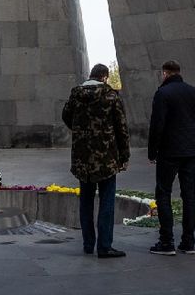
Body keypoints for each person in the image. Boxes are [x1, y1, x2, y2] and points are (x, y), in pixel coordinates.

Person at [62, 63, 130, 259]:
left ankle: (88, 243)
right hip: (107, 158)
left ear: (90, 76)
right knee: (107, 201)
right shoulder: (111, 96)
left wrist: (80, 130)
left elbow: (66, 116)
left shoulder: (76, 94)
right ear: (105, 77)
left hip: (82, 158)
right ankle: (105, 246)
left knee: (86, 201)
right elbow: (121, 128)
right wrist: (124, 156)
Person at [147, 60, 195, 255]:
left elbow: (157, 125)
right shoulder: (194, 92)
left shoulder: (162, 94)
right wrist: (194, 142)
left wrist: (152, 151)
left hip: (169, 151)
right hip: (190, 151)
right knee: (189, 194)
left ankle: (166, 242)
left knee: (163, 193)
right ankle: (188, 242)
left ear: (165, 74)